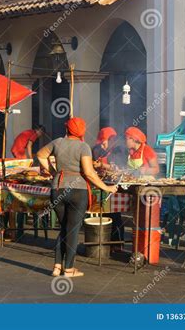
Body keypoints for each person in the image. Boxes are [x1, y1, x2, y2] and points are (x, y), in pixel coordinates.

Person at [37, 117, 117, 278]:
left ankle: (57, 266)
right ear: (82, 131)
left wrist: (54, 172)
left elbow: (40, 155)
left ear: (67, 129)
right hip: (77, 190)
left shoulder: (57, 142)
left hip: (57, 188)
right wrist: (107, 187)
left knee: (65, 228)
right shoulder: (83, 146)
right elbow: (88, 172)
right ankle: (68, 269)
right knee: (72, 230)